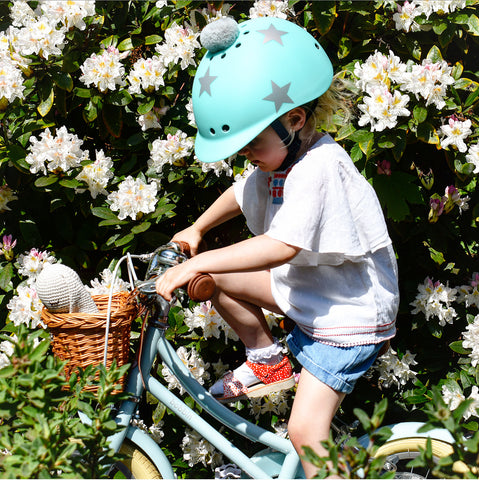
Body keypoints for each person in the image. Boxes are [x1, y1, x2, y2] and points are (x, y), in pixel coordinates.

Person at [155, 16, 399, 478]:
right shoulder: (279, 161)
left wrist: (197, 262)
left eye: (252, 144)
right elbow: (242, 190)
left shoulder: (320, 166)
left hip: (348, 317)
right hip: (313, 294)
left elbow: (281, 247)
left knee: (306, 432)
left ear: (294, 120)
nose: (247, 155)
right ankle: (268, 361)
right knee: (215, 277)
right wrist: (196, 229)